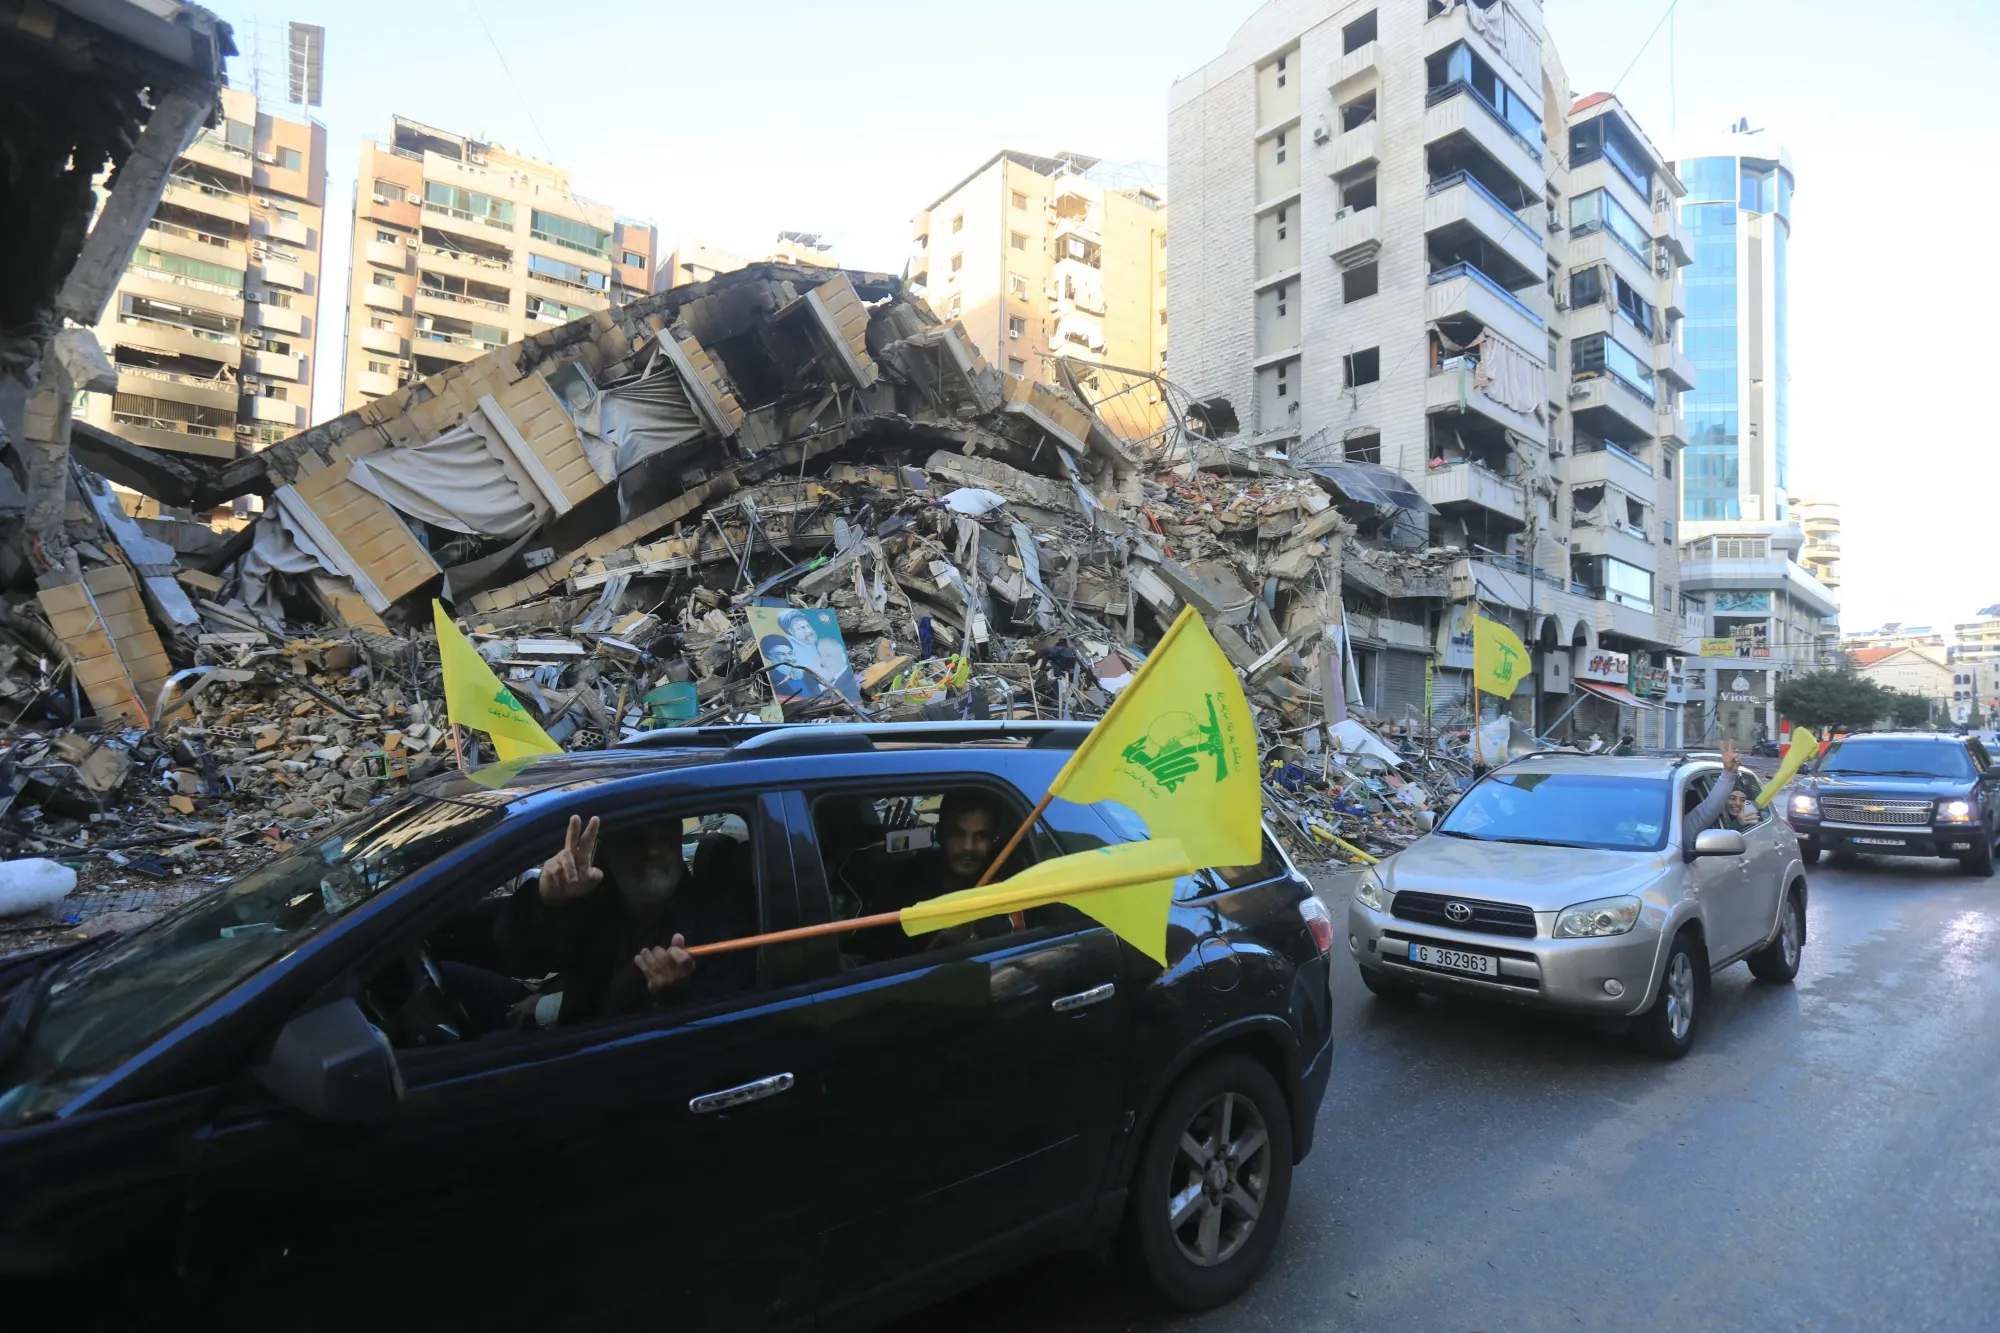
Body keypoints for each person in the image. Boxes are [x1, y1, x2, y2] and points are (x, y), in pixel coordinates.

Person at [456, 816, 754, 1032]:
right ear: (608, 852)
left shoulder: (715, 927)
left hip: (609, 1058)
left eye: (665, 840)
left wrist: (672, 995)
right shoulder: (596, 899)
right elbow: (521, 960)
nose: (652, 852)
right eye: (636, 841)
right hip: (569, 1018)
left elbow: (715, 1032)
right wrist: (546, 900)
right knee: (454, 980)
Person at [1683, 739, 1749, 854]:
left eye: (1743, 800)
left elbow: (1710, 807)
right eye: (1732, 798)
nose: (1738, 804)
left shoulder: (1750, 817)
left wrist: (1728, 774)